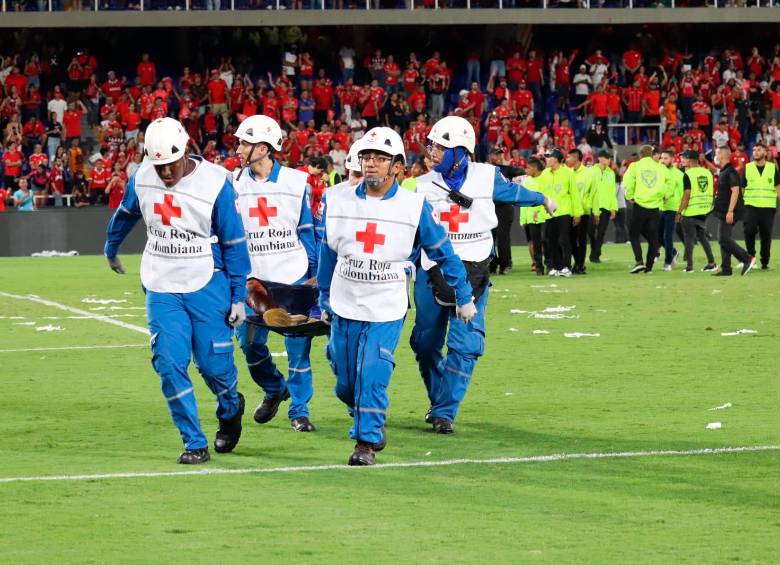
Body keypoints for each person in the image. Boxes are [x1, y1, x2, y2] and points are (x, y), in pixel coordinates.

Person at [317, 127, 475, 465]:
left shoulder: (413, 205)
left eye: (380, 158)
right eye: (367, 157)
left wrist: (463, 294)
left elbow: (444, 252)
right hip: (345, 300)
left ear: (397, 166)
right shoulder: (335, 199)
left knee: (373, 372)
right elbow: (327, 252)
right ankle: (363, 414)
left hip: (387, 304)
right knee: (347, 384)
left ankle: (366, 442)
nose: (371, 164)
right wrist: (322, 298)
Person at [104, 117, 251, 465]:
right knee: (168, 364)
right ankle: (194, 441)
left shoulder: (217, 182)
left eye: (170, 165)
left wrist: (238, 295)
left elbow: (234, 241)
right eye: (158, 166)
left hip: (207, 281)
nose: (165, 173)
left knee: (215, 368)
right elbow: (126, 214)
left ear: (185, 150)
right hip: (160, 282)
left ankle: (230, 406)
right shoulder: (141, 177)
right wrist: (111, 248)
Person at [411, 116, 555, 434]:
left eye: (440, 146)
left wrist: (543, 199)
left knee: (466, 345)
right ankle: (439, 401)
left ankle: (445, 412)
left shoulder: (486, 177)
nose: (432, 151)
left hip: (475, 267)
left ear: (461, 152)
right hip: (430, 268)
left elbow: (514, 194)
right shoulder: (419, 185)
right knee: (425, 343)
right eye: (432, 145)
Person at [232, 115, 320, 433]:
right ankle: (274, 388)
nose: (239, 148)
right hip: (254, 283)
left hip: (294, 278)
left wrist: (314, 277)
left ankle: (299, 410)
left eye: (245, 142)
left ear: (265, 147)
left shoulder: (297, 182)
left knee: (299, 348)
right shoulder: (232, 183)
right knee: (249, 345)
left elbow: (307, 232)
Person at [623, 145, 670, 273]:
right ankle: (649, 267)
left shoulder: (635, 166)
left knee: (634, 234)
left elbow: (627, 182)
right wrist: (665, 195)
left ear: (641, 154)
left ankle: (639, 261)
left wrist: (629, 196)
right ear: (652, 154)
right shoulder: (660, 168)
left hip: (640, 206)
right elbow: (669, 182)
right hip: (655, 207)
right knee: (653, 238)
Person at [713, 146, 756, 276]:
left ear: (721, 155)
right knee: (723, 239)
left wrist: (730, 211)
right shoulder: (724, 171)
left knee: (723, 239)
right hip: (724, 210)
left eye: (716, 153)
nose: (715, 156)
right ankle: (726, 268)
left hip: (730, 211)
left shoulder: (730, 171)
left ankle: (747, 258)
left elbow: (735, 191)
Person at [538, 147, 581, 277]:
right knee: (551, 241)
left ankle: (566, 267)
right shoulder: (544, 174)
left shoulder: (568, 173)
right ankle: (556, 267)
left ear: (556, 159)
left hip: (564, 211)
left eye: (549, 157)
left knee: (564, 240)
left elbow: (574, 193)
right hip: (549, 213)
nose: (547, 159)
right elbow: (541, 194)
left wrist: (577, 213)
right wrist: (539, 211)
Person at [676, 151, 717, 273]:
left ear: (689, 160)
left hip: (691, 211)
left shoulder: (688, 174)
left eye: (684, 158)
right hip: (704, 210)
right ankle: (711, 263)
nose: (682, 160)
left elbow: (687, 195)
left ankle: (689, 266)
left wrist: (679, 212)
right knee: (702, 237)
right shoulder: (707, 172)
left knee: (689, 239)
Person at [742, 142, 780, 270]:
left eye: (758, 150)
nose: (755, 152)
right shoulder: (747, 167)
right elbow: (742, 187)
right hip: (750, 206)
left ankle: (765, 262)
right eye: (754, 150)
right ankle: (750, 257)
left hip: (768, 207)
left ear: (765, 152)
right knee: (749, 231)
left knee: (766, 235)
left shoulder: (772, 167)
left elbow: (778, 186)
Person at [487, 146, 522, 275]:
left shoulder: (507, 170)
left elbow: (522, 172)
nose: (499, 157)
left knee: (503, 238)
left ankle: (505, 264)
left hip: (505, 208)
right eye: (496, 154)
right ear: (490, 156)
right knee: (489, 238)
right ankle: (491, 265)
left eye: (500, 154)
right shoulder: (484, 170)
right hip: (489, 208)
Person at [519, 157, 549, 275]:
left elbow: (547, 198)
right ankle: (539, 267)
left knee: (546, 242)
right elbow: (523, 202)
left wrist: (539, 211)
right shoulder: (526, 182)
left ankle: (550, 265)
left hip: (545, 216)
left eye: (528, 168)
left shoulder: (545, 179)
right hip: (531, 218)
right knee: (535, 244)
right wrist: (523, 219)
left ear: (535, 169)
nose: (526, 170)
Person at [566, 148, 594, 275]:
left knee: (581, 240)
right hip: (569, 211)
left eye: (569, 157)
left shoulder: (588, 173)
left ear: (576, 158)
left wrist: (586, 207)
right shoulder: (568, 172)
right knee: (571, 240)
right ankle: (578, 262)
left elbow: (592, 192)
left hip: (583, 212)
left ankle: (580, 265)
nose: (567, 160)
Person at [588, 149, 618, 264]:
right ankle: (594, 249)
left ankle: (595, 254)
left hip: (605, 206)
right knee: (590, 231)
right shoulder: (590, 171)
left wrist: (613, 208)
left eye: (609, 158)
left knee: (601, 232)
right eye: (607, 157)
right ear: (600, 158)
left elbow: (612, 192)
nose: (609, 160)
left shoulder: (611, 173)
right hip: (592, 205)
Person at [658, 149, 684, 271]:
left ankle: (668, 262)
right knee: (658, 237)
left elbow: (684, 193)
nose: (662, 161)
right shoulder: (658, 172)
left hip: (673, 208)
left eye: (665, 158)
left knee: (667, 236)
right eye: (661, 158)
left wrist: (681, 211)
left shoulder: (679, 174)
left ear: (672, 159)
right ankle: (673, 252)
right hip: (660, 207)